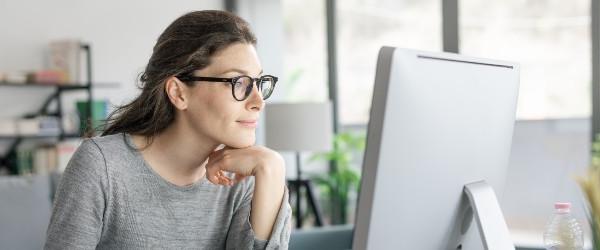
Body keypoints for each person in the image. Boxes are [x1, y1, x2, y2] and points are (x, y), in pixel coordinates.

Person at [44, 10, 291, 249]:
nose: (259, 101)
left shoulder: (244, 179)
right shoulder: (101, 167)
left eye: (259, 82)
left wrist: (272, 168)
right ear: (178, 92)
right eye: (239, 82)